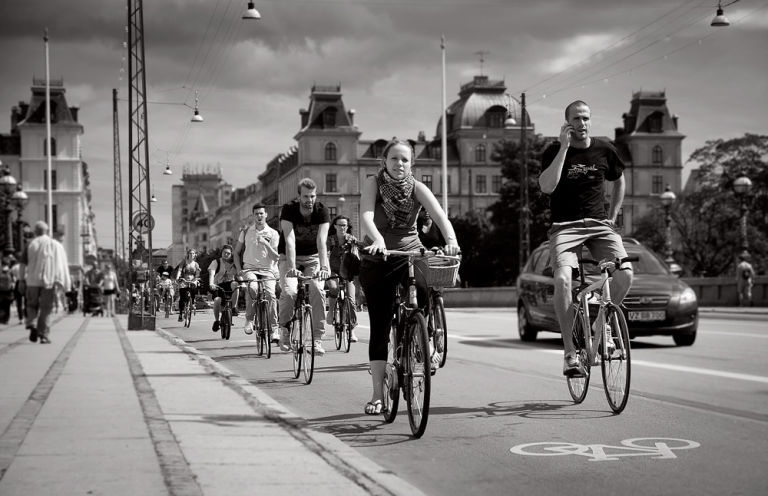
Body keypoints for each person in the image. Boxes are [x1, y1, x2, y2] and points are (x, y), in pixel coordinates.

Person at [359, 138, 459, 415]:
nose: (399, 164)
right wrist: (377, 238)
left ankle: (419, 337)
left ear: (411, 163)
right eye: (394, 159)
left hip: (411, 253)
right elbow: (366, 213)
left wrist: (451, 240)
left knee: (426, 291)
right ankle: (378, 394)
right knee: (380, 326)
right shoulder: (374, 183)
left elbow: (440, 215)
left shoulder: (417, 187)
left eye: (405, 159)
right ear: (384, 162)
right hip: (379, 255)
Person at [539, 100, 633, 376]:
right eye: (577, 119)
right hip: (564, 227)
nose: (582, 123)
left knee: (625, 274)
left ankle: (598, 325)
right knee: (563, 279)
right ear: (567, 122)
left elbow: (619, 179)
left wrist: (613, 215)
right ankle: (570, 353)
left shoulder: (604, 148)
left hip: (599, 225)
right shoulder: (554, 151)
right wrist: (564, 147)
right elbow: (546, 187)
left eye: (586, 118)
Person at [277, 178, 331, 354]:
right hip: (288, 257)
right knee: (290, 291)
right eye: (306, 196)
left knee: (317, 289)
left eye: (313, 196)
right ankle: (284, 329)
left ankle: (317, 340)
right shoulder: (289, 210)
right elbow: (289, 240)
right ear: (299, 196)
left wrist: (324, 267)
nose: (310, 200)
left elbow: (322, 241)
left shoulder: (322, 211)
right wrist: (292, 267)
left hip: (313, 257)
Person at [18, 221, 71, 343]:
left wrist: (21, 280)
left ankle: (32, 323)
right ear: (47, 231)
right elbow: (61, 264)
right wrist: (62, 281)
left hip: (32, 280)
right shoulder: (55, 245)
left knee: (31, 304)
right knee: (46, 308)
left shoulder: (30, 244)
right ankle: (43, 335)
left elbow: (22, 264)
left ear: (35, 231)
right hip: (49, 281)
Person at [234, 204, 280, 340]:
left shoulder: (273, 233)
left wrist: (265, 244)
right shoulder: (246, 231)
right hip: (249, 269)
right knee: (252, 288)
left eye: (261, 213)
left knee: (270, 295)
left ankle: (274, 329)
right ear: (253, 216)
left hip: (268, 270)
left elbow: (276, 257)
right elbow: (236, 252)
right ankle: (249, 319)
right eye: (256, 214)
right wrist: (239, 270)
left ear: (266, 215)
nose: (259, 216)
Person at [326, 214, 359, 342]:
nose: (342, 227)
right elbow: (324, 253)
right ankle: (331, 312)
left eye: (344, 225)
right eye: (339, 225)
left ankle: (351, 330)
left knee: (350, 299)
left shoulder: (351, 240)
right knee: (334, 288)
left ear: (347, 226)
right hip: (333, 270)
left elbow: (357, 255)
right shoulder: (330, 240)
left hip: (347, 272)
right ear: (334, 226)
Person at [208, 244, 239, 332]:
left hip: (229, 284)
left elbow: (239, 275)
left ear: (231, 254)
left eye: (228, 253)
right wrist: (211, 283)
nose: (226, 254)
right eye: (224, 252)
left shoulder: (234, 263)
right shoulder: (216, 262)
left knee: (236, 284)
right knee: (217, 300)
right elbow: (212, 273)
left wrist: (244, 282)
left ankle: (234, 308)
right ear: (221, 252)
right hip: (218, 285)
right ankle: (217, 321)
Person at [175, 248, 201, 322]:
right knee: (182, 298)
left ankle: (192, 302)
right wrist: (177, 277)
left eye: (193, 253)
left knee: (194, 287)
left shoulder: (196, 264)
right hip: (184, 279)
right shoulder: (184, 262)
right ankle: (180, 314)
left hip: (193, 279)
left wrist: (196, 278)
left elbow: (197, 273)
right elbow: (180, 270)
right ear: (188, 254)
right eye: (190, 253)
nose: (191, 255)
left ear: (195, 255)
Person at [0, 255, 16, 324]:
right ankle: (6, 318)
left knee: (1, 305)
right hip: (8, 291)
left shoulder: (0, 271)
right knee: (7, 306)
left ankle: (1, 318)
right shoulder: (10, 271)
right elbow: (13, 280)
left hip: (1, 290)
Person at [10, 256, 24, 323]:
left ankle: (20, 318)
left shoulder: (14, 267)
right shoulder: (26, 266)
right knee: (27, 301)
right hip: (26, 282)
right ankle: (26, 317)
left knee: (19, 302)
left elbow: (12, 276)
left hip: (18, 282)